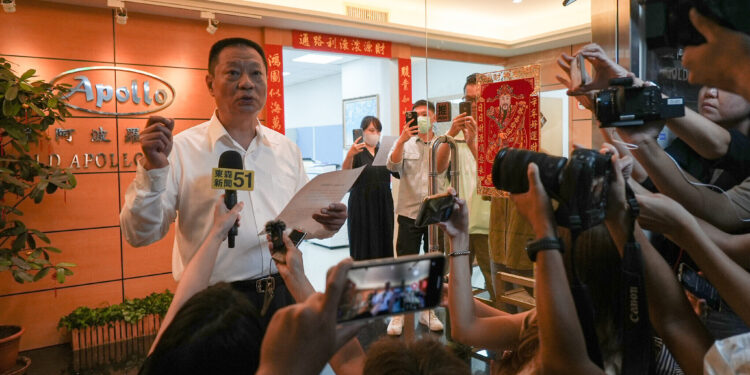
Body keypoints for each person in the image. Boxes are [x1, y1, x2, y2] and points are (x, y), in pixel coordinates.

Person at [120, 38, 347, 335]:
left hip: (282, 292)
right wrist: (152, 170)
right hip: (215, 305)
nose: (246, 84)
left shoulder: (287, 150)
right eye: (233, 73)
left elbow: (305, 221)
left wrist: (328, 223)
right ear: (210, 84)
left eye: (256, 74)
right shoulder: (180, 150)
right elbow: (140, 234)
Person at [386, 99, 445, 335]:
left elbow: (443, 169)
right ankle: (398, 313)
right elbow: (392, 165)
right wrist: (401, 139)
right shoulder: (405, 143)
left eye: (425, 114)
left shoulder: (442, 143)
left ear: (433, 118)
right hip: (409, 212)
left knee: (432, 264)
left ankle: (427, 311)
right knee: (406, 264)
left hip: (435, 214)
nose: (421, 118)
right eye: (417, 114)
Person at [435, 73, 494, 303]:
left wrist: (473, 142)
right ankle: (458, 335)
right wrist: (450, 134)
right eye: (468, 99)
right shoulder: (453, 134)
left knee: (492, 279)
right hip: (459, 218)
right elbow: (439, 167)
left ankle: (496, 336)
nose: (473, 105)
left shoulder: (495, 131)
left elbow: (492, 176)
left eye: (477, 100)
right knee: (458, 281)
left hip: (486, 222)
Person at [342, 116, 394, 260]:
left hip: (383, 202)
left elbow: (395, 172)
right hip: (362, 204)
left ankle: (384, 278)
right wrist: (349, 155)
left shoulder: (383, 151)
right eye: (371, 130)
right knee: (363, 243)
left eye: (378, 131)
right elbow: (346, 178)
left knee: (384, 241)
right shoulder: (357, 152)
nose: (375, 134)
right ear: (362, 131)